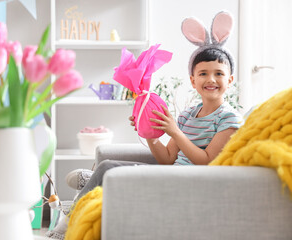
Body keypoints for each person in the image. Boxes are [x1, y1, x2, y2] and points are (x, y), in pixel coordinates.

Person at [47, 11, 243, 239]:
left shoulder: (229, 118)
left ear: (229, 80)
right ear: (193, 80)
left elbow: (208, 161)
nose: (211, 79)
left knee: (108, 169)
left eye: (219, 73)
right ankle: (90, 187)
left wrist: (175, 132)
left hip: (191, 183)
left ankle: (69, 223)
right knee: (107, 165)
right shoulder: (189, 114)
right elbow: (167, 158)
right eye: (203, 73)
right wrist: (149, 133)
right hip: (172, 174)